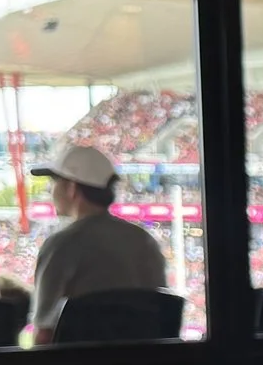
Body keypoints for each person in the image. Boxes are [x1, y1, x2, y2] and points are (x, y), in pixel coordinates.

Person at [28, 143, 165, 339]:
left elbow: (44, 333)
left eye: (54, 182)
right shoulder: (144, 241)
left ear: (71, 188)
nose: (50, 190)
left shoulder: (61, 244)